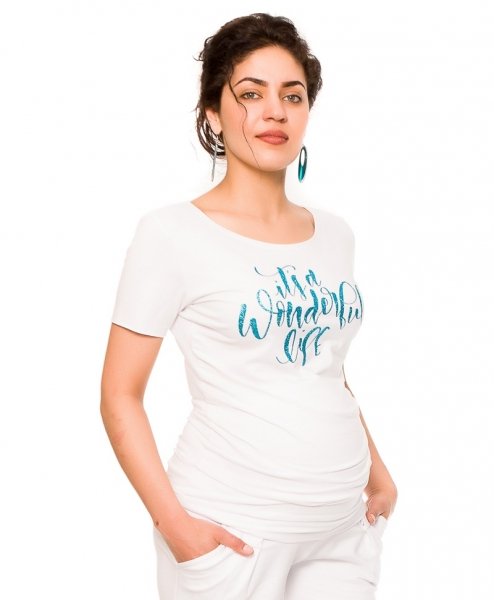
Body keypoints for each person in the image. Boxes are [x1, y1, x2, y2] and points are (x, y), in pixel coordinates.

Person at [100, 12, 398, 600]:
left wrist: (378, 471)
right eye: (251, 94)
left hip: (342, 531)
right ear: (213, 113)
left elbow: (324, 365)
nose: (275, 111)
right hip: (232, 531)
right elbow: (119, 394)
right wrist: (176, 527)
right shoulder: (171, 234)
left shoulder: (335, 234)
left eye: (293, 95)